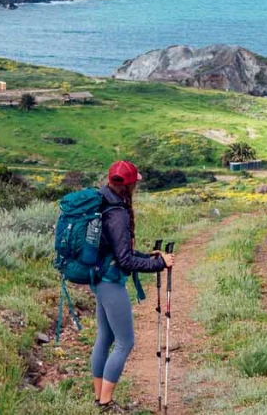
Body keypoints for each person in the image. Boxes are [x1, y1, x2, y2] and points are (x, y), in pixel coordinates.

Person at [91, 160, 173, 409]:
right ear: (128, 185)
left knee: (105, 337)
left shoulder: (103, 201)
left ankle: (99, 397)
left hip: (99, 277)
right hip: (111, 282)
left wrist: (149, 258)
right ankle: (105, 403)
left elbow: (120, 252)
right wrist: (160, 264)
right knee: (125, 342)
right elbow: (125, 260)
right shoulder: (118, 214)